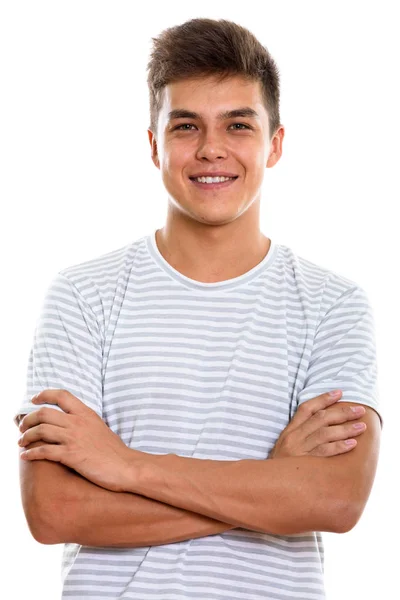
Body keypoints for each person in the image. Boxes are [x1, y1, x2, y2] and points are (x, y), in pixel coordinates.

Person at [15, 17, 382, 600]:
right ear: (155, 143)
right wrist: (272, 487)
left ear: (275, 143)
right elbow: (55, 510)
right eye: (186, 125)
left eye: (239, 124)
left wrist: (126, 466)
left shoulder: (333, 304)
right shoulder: (82, 295)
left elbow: (335, 500)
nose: (212, 148)